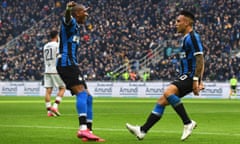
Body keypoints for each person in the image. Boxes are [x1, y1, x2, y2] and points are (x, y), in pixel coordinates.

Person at [126, 10, 205, 141]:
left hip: (190, 75)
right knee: (161, 102)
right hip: (186, 75)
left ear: (186, 22)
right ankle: (142, 130)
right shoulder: (185, 39)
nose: (175, 24)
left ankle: (187, 122)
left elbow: (200, 58)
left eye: (178, 21)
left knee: (168, 92)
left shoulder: (193, 37)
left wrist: (196, 80)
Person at [56, 1, 104, 142]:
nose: (87, 14)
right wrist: (68, 9)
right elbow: (66, 18)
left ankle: (88, 130)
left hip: (72, 64)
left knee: (89, 97)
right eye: (84, 12)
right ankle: (83, 129)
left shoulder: (77, 27)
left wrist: (79, 10)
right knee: (81, 93)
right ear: (76, 14)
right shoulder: (70, 23)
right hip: (66, 64)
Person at [43, 30, 66, 117]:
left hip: (47, 69)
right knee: (62, 87)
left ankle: (49, 111)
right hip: (55, 70)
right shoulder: (57, 45)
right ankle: (55, 106)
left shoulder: (45, 46)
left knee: (48, 91)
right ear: (57, 36)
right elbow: (59, 56)